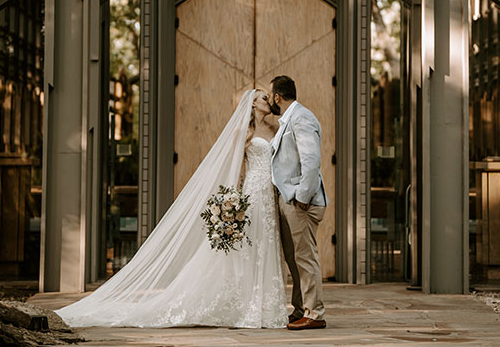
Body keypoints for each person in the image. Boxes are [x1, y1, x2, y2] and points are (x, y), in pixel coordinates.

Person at [56, 90, 288, 329]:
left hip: (269, 196)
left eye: (268, 97)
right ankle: (246, 305)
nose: (268, 101)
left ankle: (264, 307)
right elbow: (235, 168)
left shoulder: (274, 130)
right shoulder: (244, 132)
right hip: (251, 193)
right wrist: (233, 200)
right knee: (246, 248)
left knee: (266, 245)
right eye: (262, 98)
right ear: (251, 105)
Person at [269, 75, 327, 330]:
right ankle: (300, 308)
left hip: (299, 201)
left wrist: (302, 197)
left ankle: (315, 313)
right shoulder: (288, 120)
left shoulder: (301, 117)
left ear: (277, 97)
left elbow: (311, 161)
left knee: (305, 257)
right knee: (294, 259)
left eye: (270, 95)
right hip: (288, 199)